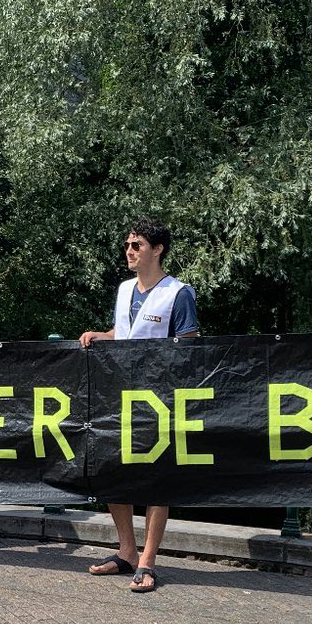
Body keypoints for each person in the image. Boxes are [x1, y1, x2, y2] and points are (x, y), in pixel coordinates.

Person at [79, 218, 198, 593]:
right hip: (118, 396)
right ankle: (126, 551)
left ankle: (148, 561)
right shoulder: (124, 289)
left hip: (158, 399)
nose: (129, 251)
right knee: (115, 472)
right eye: (128, 244)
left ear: (157, 249)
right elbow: (124, 331)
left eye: (137, 245)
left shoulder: (178, 293)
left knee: (155, 478)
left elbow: (189, 348)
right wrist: (102, 335)